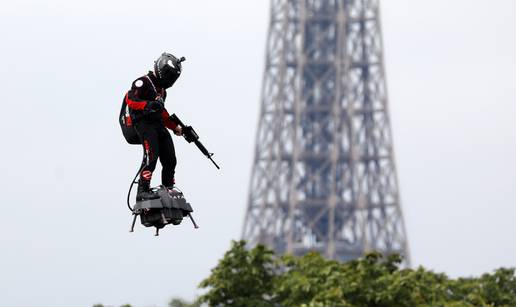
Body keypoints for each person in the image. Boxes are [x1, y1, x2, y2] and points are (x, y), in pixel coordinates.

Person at [124, 52, 184, 201]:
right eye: (169, 76)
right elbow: (130, 99)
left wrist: (175, 127)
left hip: (157, 125)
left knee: (170, 157)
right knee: (152, 155)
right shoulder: (143, 82)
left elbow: (162, 113)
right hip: (143, 123)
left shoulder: (162, 92)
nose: (170, 80)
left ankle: (168, 188)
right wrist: (148, 105)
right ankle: (142, 191)